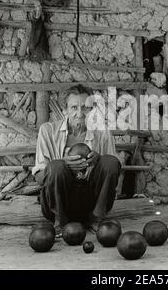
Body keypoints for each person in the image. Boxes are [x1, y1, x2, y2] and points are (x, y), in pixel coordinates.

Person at [32, 85, 121, 235]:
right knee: (56, 166)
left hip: (91, 204)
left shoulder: (103, 132)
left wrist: (98, 161)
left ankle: (96, 220)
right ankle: (60, 224)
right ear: (64, 109)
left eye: (85, 108)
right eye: (74, 107)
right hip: (59, 204)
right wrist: (63, 166)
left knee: (110, 162)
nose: (80, 113)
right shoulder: (47, 131)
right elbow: (39, 177)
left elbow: (114, 170)